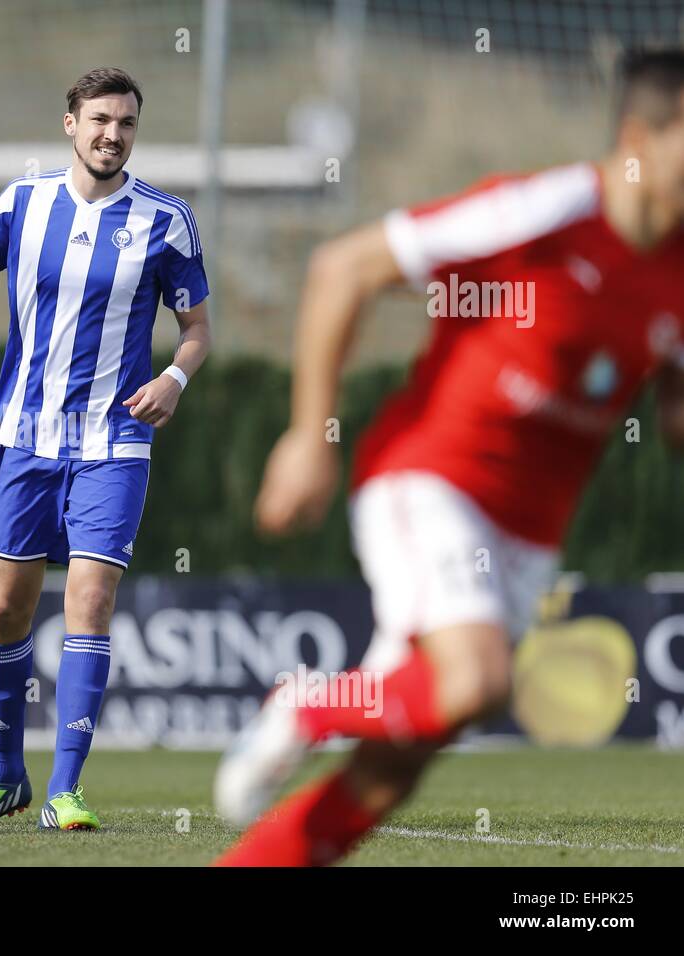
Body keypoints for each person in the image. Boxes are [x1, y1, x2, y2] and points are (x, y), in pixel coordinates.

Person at [214, 48, 684, 866]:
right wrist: (306, 435)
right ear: (642, 136)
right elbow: (343, 269)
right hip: (431, 479)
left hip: (528, 539)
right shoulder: (547, 211)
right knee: (476, 681)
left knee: (398, 761)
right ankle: (310, 704)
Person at [0, 67, 211, 830]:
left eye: (124, 122)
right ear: (70, 124)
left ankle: (67, 791)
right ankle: (3, 779)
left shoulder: (166, 220)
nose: (111, 134)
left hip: (114, 441)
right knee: (2, 613)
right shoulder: (24, 203)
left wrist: (174, 382)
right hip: (24, 438)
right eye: (98, 119)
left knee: (90, 602)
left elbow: (197, 333)